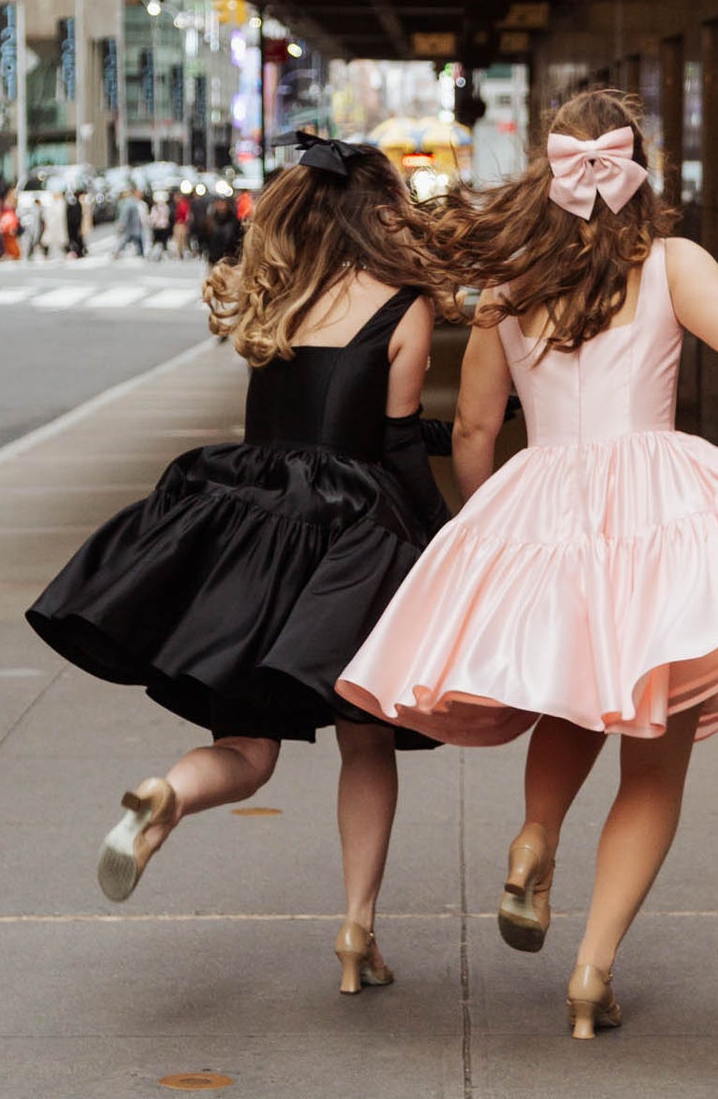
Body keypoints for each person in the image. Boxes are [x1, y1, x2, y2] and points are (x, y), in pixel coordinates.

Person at [339, 90, 718, 1041]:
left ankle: (534, 838)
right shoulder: (669, 263)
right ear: (634, 165)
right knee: (652, 759)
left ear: (550, 167)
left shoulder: (511, 281)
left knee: (575, 697)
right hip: (658, 508)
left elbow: (472, 426)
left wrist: (486, 518)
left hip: (543, 501)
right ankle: (590, 974)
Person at [26, 137, 452, 993]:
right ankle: (355, 931)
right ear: (381, 215)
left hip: (253, 523)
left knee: (246, 746)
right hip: (348, 539)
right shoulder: (404, 307)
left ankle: (167, 794)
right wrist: (445, 546)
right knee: (367, 743)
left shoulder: (277, 296)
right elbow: (396, 450)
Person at [114, 186, 146, 258]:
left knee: (137, 239)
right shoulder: (130, 202)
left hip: (135, 226)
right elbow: (125, 214)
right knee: (127, 239)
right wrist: (122, 224)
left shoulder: (136, 202)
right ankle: (118, 252)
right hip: (131, 226)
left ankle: (141, 253)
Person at [42, 191, 69, 259]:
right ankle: (46, 254)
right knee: (47, 240)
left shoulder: (61, 203)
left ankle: (67, 252)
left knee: (62, 240)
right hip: (51, 225)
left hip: (59, 225)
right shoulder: (52, 204)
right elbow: (47, 215)